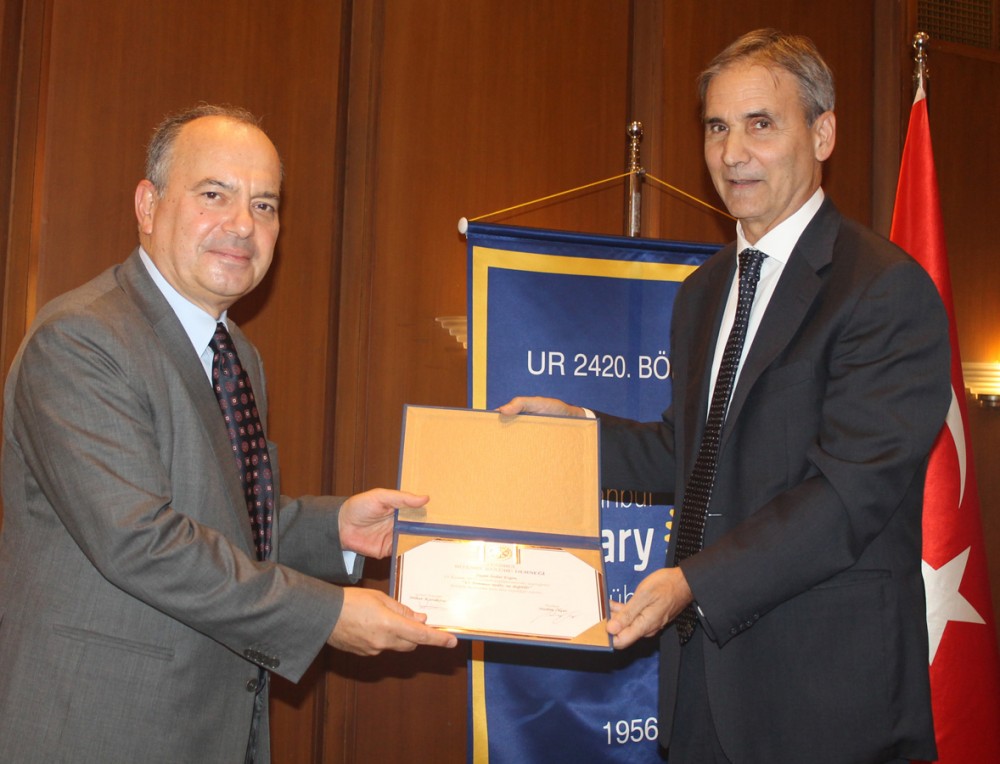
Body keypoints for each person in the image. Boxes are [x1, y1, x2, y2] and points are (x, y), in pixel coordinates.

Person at [500, 29, 950, 764]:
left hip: (827, 698)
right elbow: (694, 454)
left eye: (760, 124)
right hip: (703, 686)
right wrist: (576, 432)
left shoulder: (883, 289)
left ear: (824, 133)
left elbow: (847, 497)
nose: (733, 153)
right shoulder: (704, 292)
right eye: (716, 127)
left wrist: (692, 583)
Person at [0, 104, 457, 763]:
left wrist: (336, 531)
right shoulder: (81, 340)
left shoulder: (237, 354)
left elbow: (226, 520)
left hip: (211, 728)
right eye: (214, 195)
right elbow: (142, 541)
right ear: (148, 205)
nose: (243, 224)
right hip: (99, 727)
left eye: (264, 205)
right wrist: (327, 614)